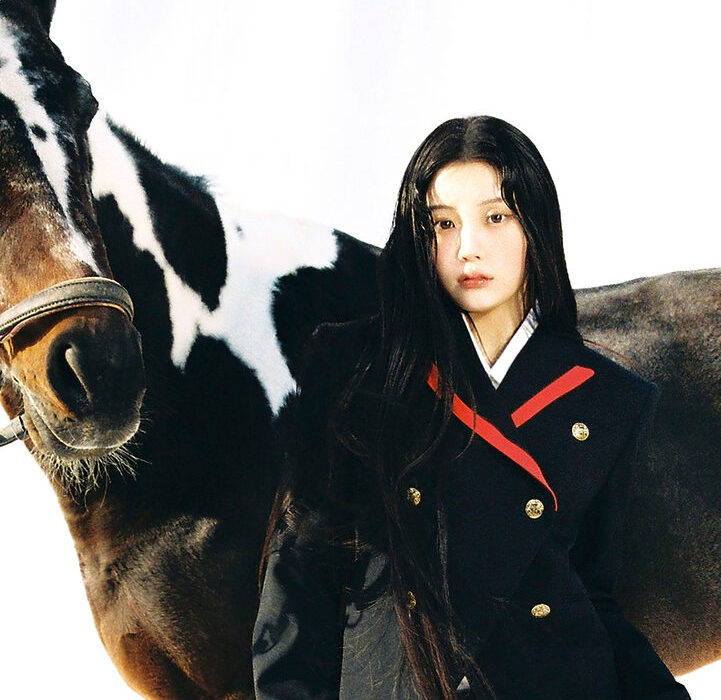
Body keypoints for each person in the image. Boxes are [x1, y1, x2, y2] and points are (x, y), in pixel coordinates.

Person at [251, 116, 691, 700]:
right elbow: (299, 576)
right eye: (443, 223)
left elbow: (594, 595)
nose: (468, 248)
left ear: (536, 226)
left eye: (496, 217)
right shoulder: (354, 368)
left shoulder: (609, 397)